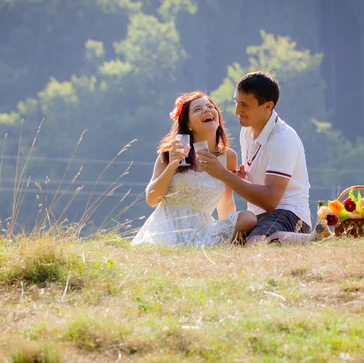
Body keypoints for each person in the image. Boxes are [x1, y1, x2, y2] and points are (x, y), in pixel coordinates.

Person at [196, 72, 316, 245]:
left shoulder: (282, 139)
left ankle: (312, 240)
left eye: (244, 105)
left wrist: (223, 174)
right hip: (258, 215)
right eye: (236, 102)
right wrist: (240, 180)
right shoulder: (247, 131)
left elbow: (270, 201)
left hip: (289, 213)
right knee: (224, 243)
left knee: (255, 243)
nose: (237, 111)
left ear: (268, 106)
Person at [131, 91, 257, 247]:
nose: (206, 110)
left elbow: (226, 201)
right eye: (197, 109)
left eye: (210, 107)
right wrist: (172, 164)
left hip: (202, 230)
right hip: (166, 229)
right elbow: (152, 199)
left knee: (248, 218)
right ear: (189, 124)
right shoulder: (171, 152)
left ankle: (217, 245)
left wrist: (229, 230)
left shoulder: (228, 156)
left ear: (217, 118)